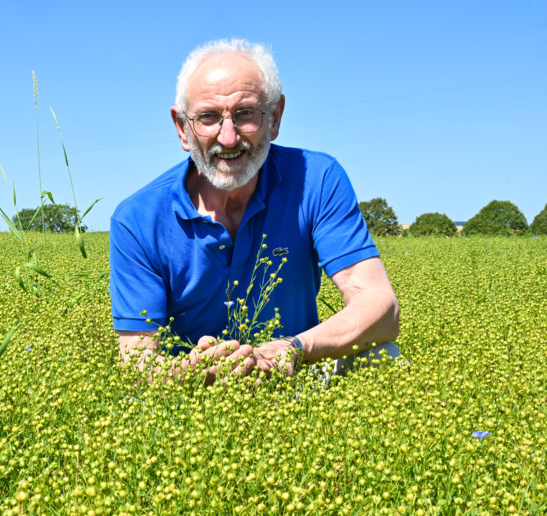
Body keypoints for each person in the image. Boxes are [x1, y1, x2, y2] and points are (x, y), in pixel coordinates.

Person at [110, 39, 400, 383]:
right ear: (182, 129)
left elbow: (381, 307)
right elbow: (137, 362)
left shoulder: (317, 179)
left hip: (295, 378)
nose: (229, 137)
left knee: (383, 357)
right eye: (208, 117)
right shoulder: (137, 220)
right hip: (190, 401)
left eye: (246, 113)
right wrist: (192, 372)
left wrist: (293, 348)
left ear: (275, 117)